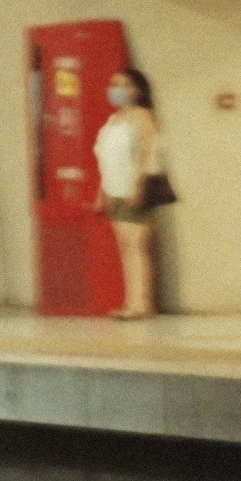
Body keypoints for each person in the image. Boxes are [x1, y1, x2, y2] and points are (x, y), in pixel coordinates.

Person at [92, 66, 166, 321]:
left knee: (137, 247)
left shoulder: (143, 116)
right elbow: (105, 157)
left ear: (136, 90)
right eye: (113, 84)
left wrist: (141, 184)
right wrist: (102, 189)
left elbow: (150, 153)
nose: (115, 90)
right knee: (125, 247)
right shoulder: (113, 120)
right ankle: (131, 301)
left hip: (134, 188)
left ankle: (142, 303)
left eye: (122, 85)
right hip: (115, 188)